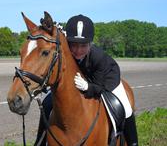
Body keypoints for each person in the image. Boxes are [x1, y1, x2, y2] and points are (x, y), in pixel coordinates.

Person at [34, 14, 138, 146]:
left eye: (83, 45)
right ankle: (40, 141)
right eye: (74, 45)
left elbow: (100, 87)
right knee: (47, 103)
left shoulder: (98, 57)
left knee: (125, 107)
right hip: (82, 77)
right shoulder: (67, 51)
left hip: (106, 79)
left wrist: (89, 87)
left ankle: (133, 142)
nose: (78, 50)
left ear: (90, 43)